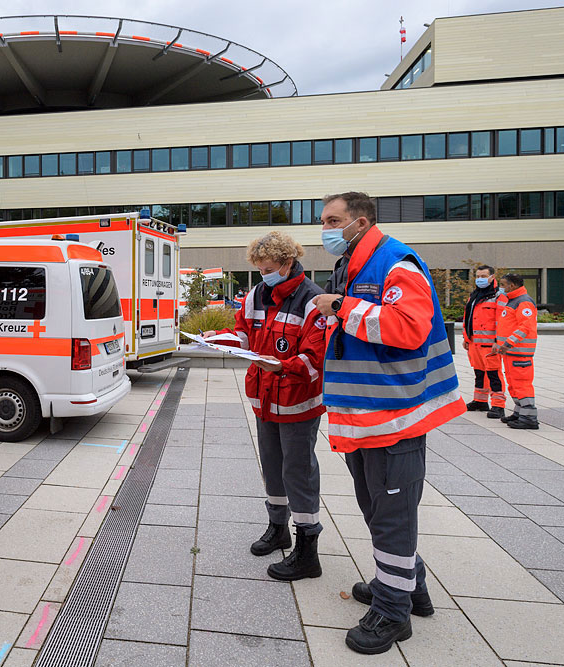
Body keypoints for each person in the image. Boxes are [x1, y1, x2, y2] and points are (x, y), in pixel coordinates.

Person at [313, 192, 465, 655]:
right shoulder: (357, 265)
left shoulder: (394, 263)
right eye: (323, 220)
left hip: (395, 416)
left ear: (360, 221)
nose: (326, 229)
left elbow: (408, 329)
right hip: (368, 416)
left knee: (392, 516)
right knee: (378, 510)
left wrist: (339, 308)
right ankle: (404, 586)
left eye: (333, 220)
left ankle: (393, 613)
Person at [203, 230, 327, 581]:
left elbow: (315, 360)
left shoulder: (312, 301)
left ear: (288, 263)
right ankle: (278, 529)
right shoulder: (259, 294)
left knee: (298, 473)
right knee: (272, 467)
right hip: (266, 400)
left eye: (268, 268)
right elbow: (244, 333)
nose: (263, 276)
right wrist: (218, 339)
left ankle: (308, 550)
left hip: (297, 403)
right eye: (259, 270)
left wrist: (282, 366)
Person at [494, 273, 539, 429]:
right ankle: (520, 412)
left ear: (512, 285)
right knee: (513, 384)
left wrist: (508, 343)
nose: (501, 288)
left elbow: (526, 327)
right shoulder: (513, 301)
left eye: (503, 284)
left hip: (519, 351)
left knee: (521, 384)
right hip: (511, 351)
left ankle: (529, 418)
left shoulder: (524, 302)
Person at [462, 266, 506, 419]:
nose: (480, 278)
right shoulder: (474, 296)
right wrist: (466, 338)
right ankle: (480, 401)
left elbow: (502, 321)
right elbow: (467, 318)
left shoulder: (499, 296)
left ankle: (498, 405)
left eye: (483, 275)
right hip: (474, 343)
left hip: (490, 345)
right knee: (479, 373)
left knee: (494, 374)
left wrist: (499, 341)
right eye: (478, 275)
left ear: (492, 277)